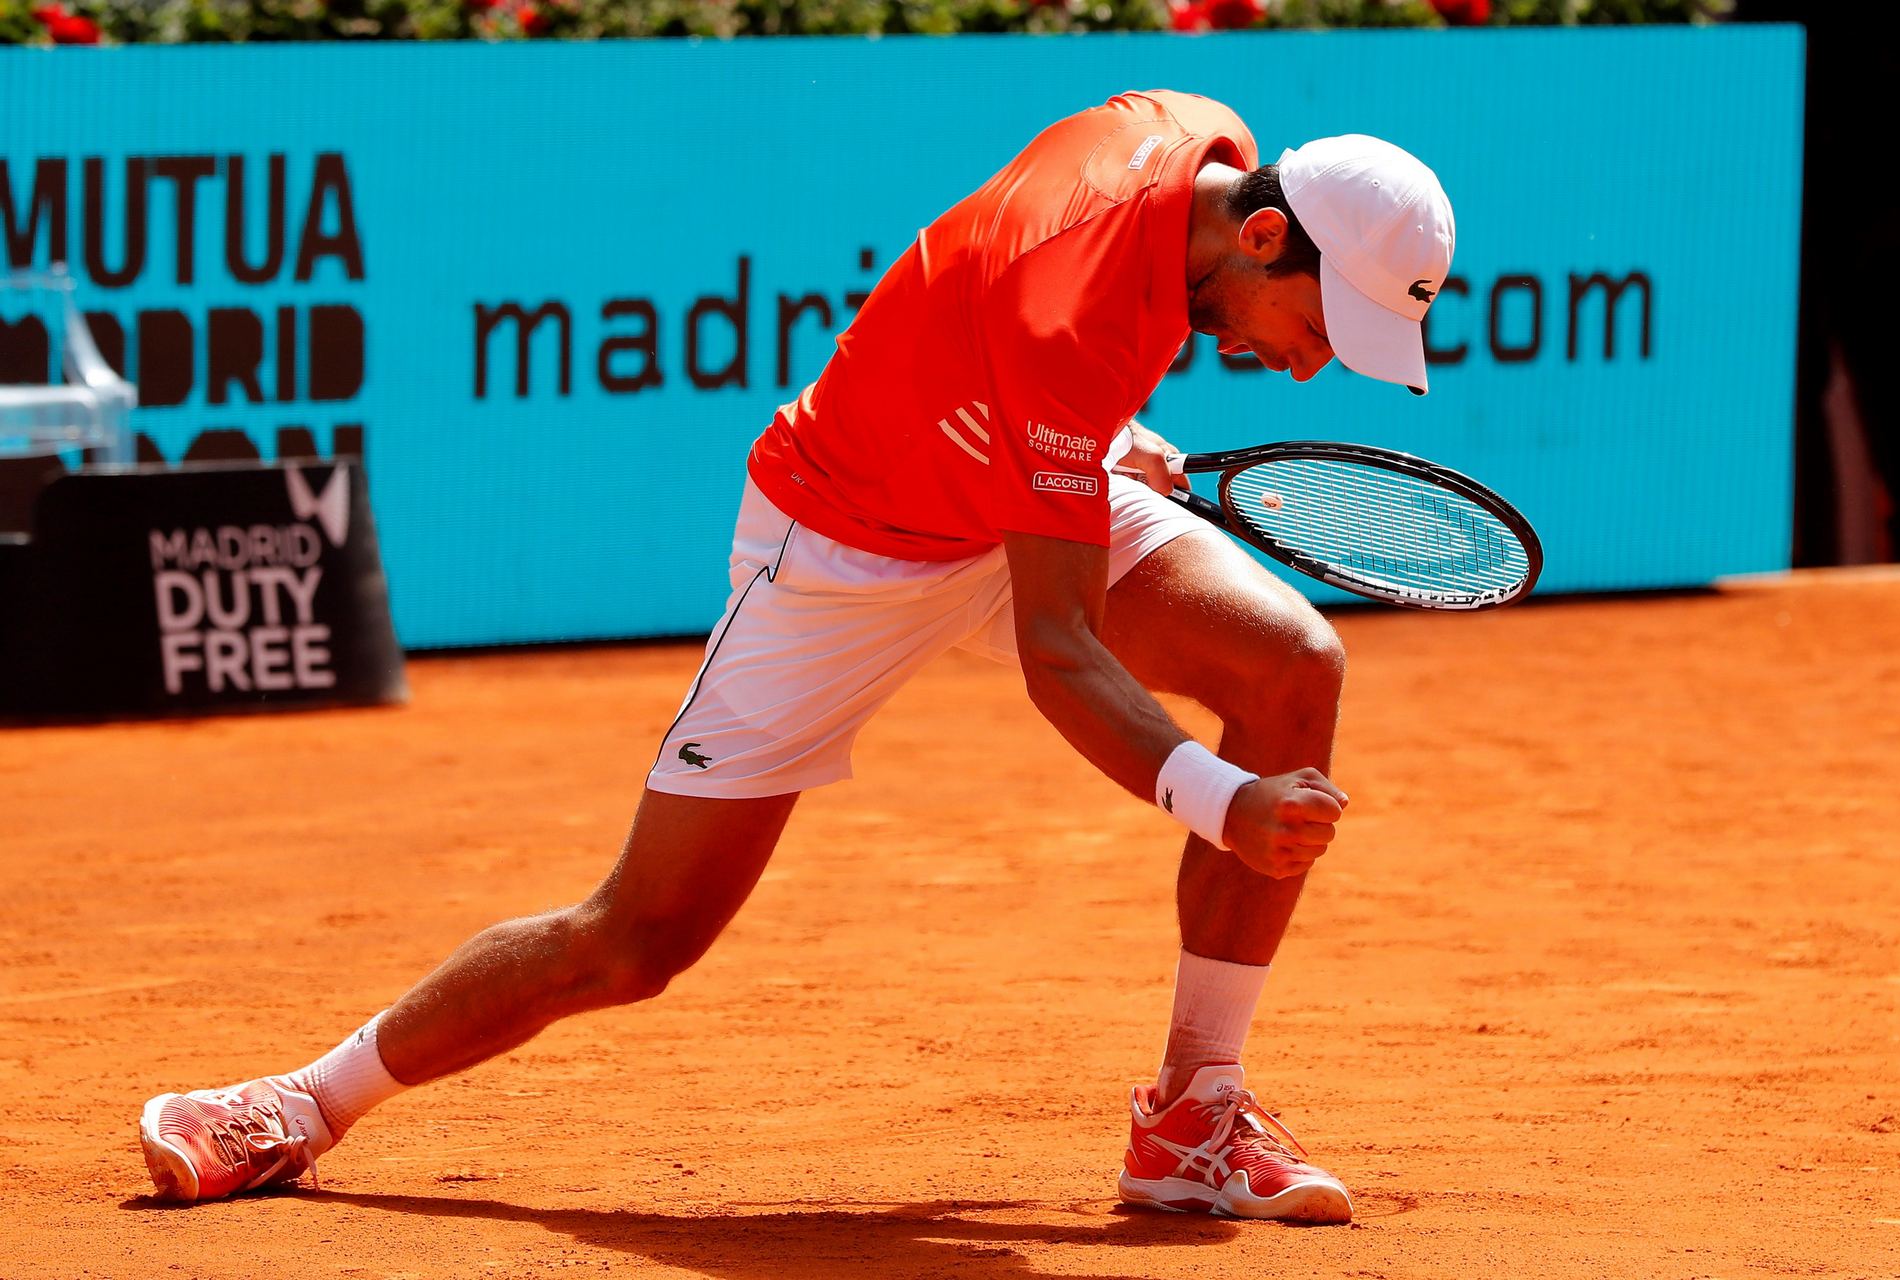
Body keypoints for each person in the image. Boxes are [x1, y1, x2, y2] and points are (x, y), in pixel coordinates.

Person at [139, 90, 1455, 1225]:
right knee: (638, 937)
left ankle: (1192, 1121)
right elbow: (1057, 652)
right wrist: (1230, 808)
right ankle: (299, 1105)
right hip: (849, 545)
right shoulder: (1070, 311)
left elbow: (1016, 320)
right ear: (1266, 231)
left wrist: (1095, 428)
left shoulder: (1201, 140)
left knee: (1293, 666)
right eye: (1322, 326)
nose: (1308, 367)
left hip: (1015, 481)